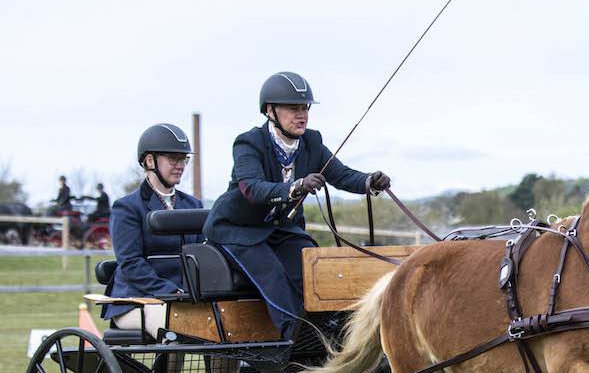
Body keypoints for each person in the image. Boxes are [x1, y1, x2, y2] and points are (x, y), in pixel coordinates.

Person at [204, 71, 392, 337]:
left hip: (280, 229)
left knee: (314, 266)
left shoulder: (311, 142)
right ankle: (296, 339)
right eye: (293, 109)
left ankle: (332, 331)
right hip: (239, 230)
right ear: (270, 111)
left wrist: (369, 181)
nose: (301, 115)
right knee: (272, 274)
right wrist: (295, 187)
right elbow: (251, 188)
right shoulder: (249, 143)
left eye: (304, 108)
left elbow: (340, 174)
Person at [102, 123, 203, 340]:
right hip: (136, 299)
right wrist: (171, 292)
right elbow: (131, 263)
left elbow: (202, 255)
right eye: (173, 159)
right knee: (177, 326)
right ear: (150, 161)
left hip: (183, 299)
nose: (180, 166)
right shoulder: (127, 207)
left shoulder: (193, 205)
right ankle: (169, 362)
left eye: (183, 160)